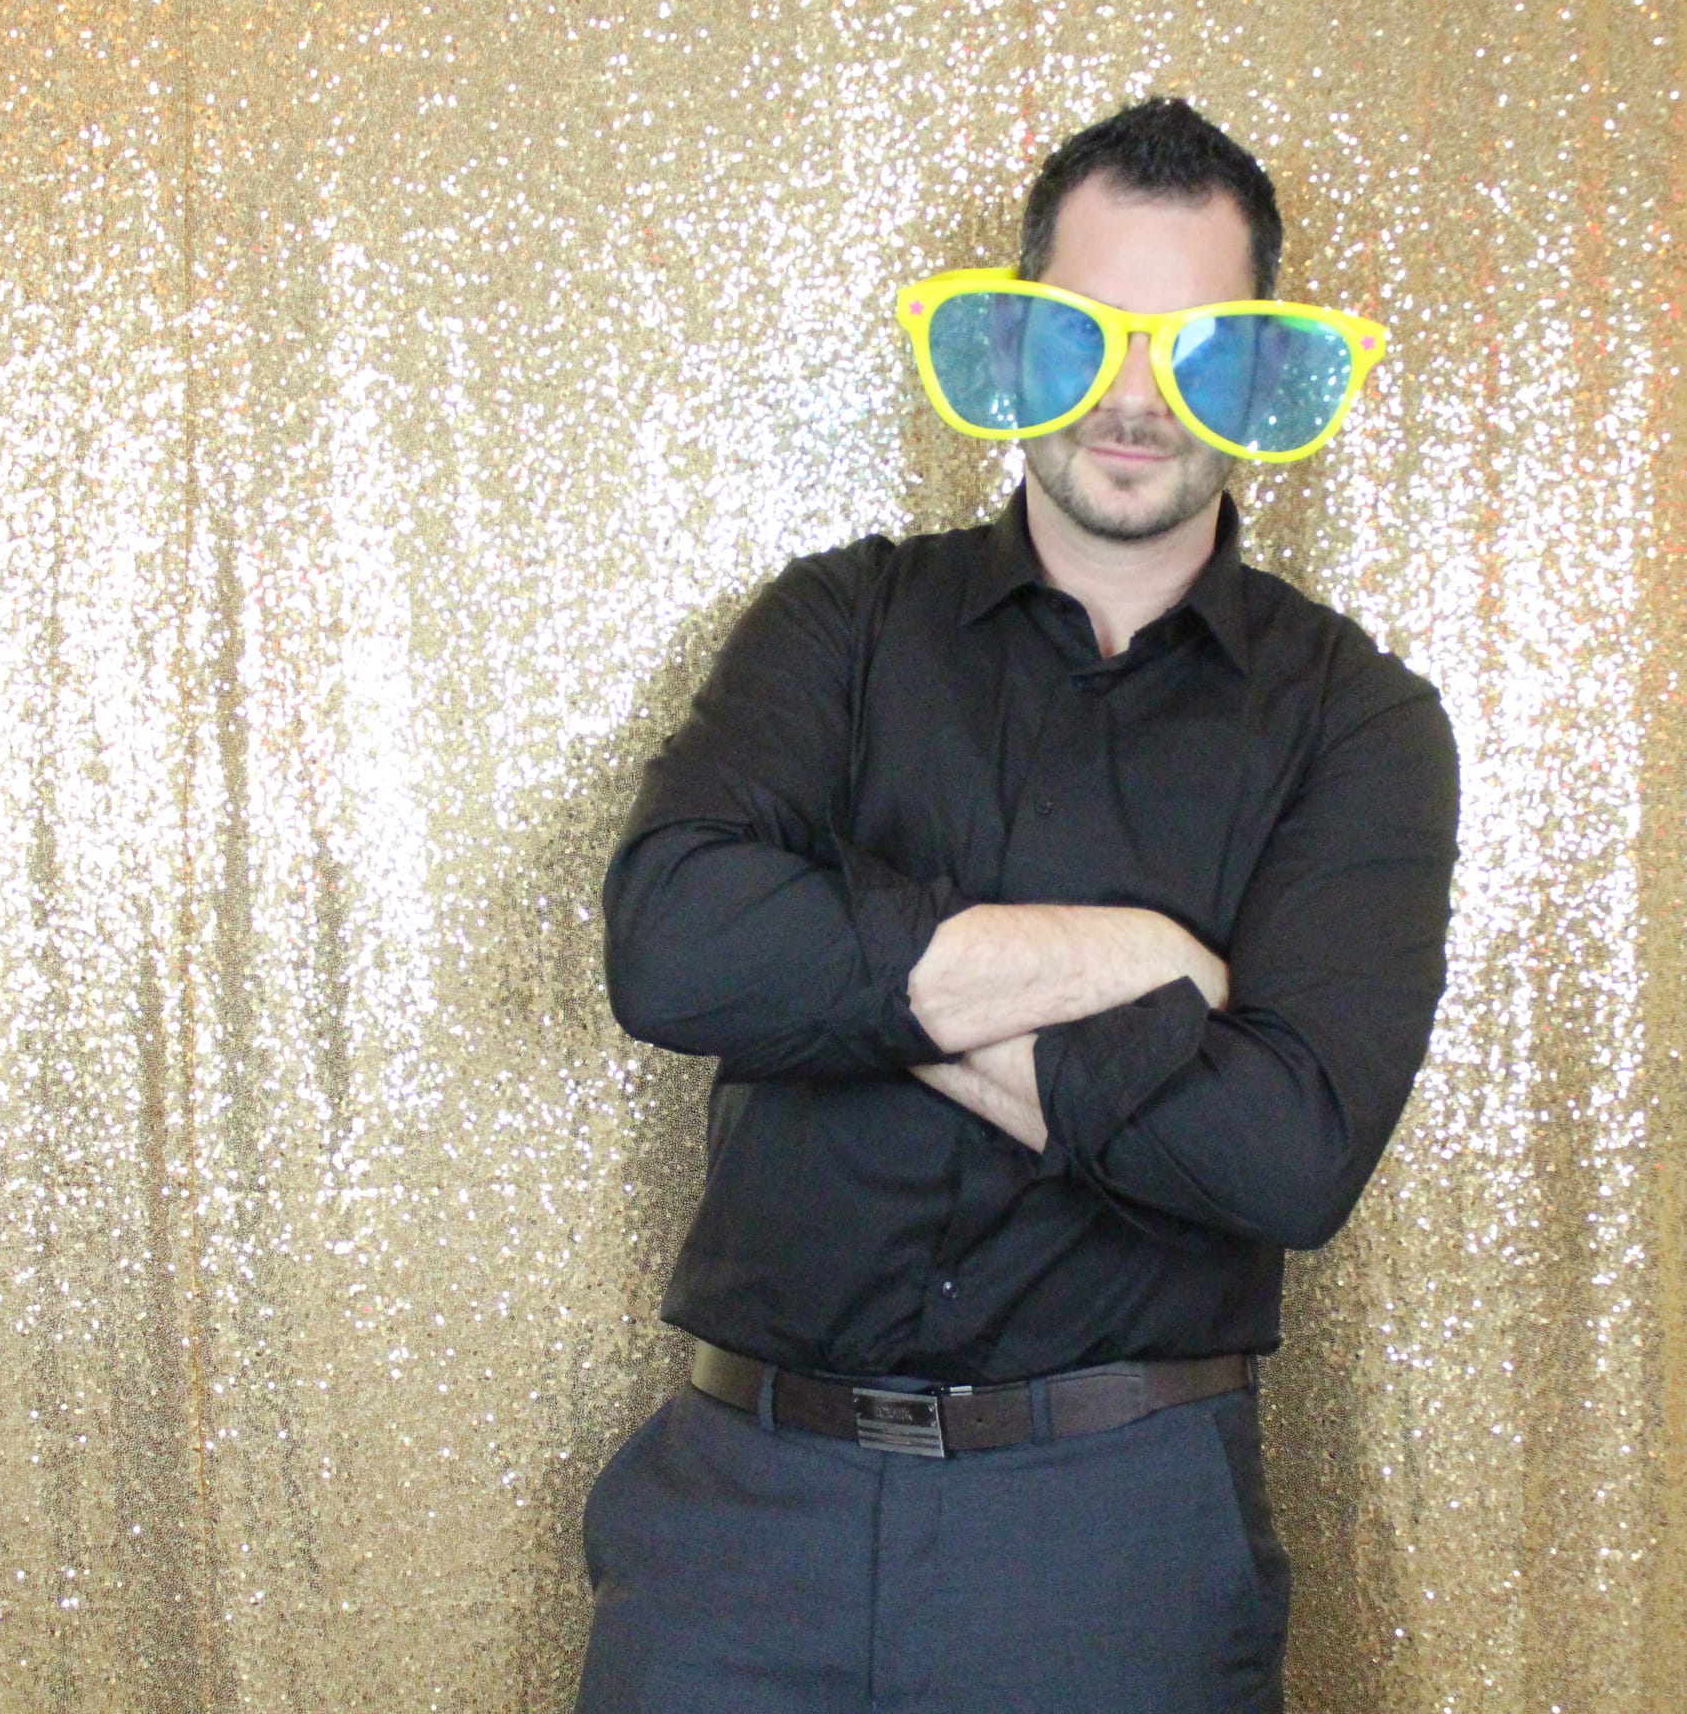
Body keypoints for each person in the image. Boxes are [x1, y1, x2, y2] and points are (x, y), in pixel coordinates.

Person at [580, 97, 1458, 1714]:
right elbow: (678, 944)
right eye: (1089, 334)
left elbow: (1287, 1152)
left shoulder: (1360, 723)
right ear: (1017, 337)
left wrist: (853, 977)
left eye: (1193, 346)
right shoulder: (837, 622)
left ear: (1261, 372)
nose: (1133, 396)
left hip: (1116, 1543)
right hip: (740, 1529)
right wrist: (1134, 965)